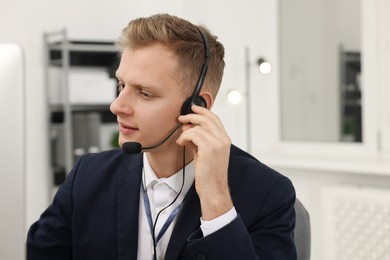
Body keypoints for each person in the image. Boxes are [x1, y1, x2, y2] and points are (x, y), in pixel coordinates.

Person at [27, 13, 297, 260]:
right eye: (121, 85)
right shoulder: (87, 176)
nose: (117, 106)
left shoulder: (268, 194)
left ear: (197, 106)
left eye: (145, 93)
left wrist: (215, 199)